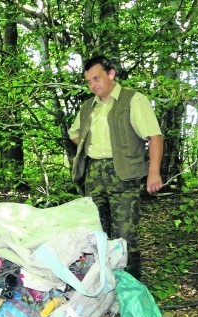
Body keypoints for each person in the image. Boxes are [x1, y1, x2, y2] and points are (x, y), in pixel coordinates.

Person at [68, 55, 164, 280]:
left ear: (111, 74)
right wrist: (89, 145)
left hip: (123, 172)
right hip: (94, 173)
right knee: (95, 232)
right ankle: (101, 283)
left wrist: (153, 171)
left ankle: (130, 287)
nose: (93, 85)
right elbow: (75, 135)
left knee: (124, 235)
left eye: (97, 78)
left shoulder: (133, 100)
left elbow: (155, 136)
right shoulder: (87, 107)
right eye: (89, 81)